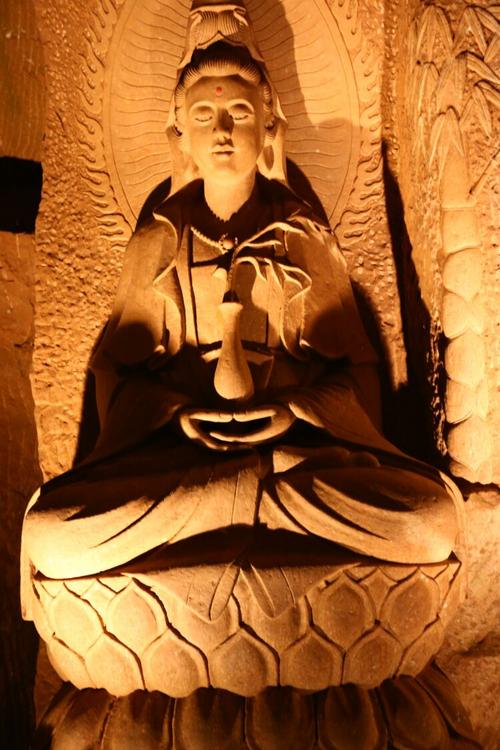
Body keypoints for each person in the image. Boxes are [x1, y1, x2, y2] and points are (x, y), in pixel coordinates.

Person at [22, 32, 463, 603]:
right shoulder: (158, 239)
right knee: (51, 535)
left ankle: (234, 500)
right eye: (204, 116)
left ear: (268, 126)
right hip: (178, 466)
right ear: (181, 133)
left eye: (239, 112)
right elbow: (114, 378)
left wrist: (294, 410)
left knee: (429, 522)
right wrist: (175, 414)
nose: (223, 131)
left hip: (294, 463)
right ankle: (236, 499)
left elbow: (360, 377)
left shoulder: (303, 235)